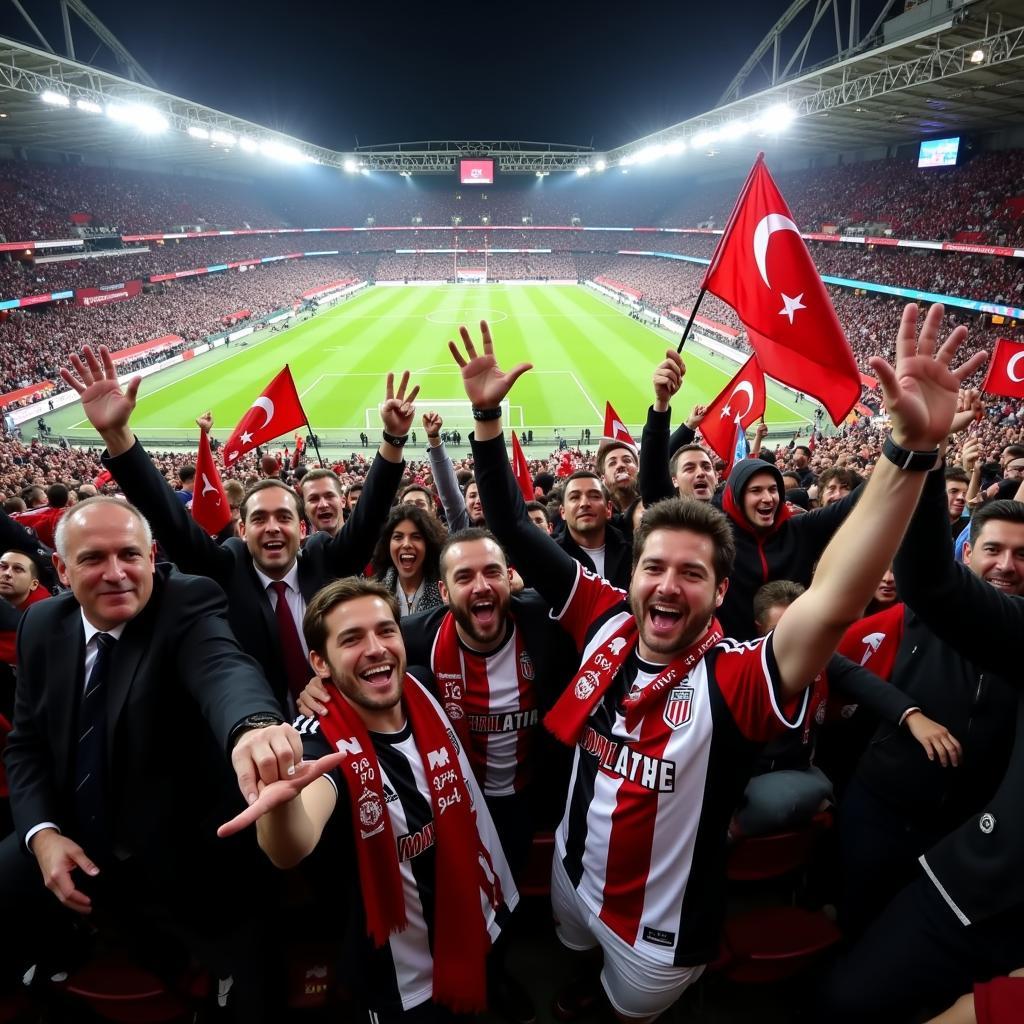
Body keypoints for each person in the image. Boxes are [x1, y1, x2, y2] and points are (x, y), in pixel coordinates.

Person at [447, 305, 984, 1022]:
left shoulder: (735, 677)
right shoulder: (602, 616)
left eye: (692, 574)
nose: (668, 584)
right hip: (572, 879)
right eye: (655, 567)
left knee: (622, 1010)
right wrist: (486, 423)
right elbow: (512, 526)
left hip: (658, 937)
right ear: (630, 577)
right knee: (573, 965)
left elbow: (829, 602)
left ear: (723, 591)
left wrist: (910, 454)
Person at [1, 497, 299, 1012]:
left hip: (179, 846)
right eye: (94, 558)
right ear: (62, 570)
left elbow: (222, 667)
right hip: (71, 832)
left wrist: (253, 726)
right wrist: (42, 834)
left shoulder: (185, 602)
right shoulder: (42, 626)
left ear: (152, 555)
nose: (117, 573)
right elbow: (25, 744)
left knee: (250, 985)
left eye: (130, 555)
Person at [219, 578, 518, 1023]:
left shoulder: (422, 685)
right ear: (319, 662)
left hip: (478, 913)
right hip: (403, 979)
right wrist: (282, 803)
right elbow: (290, 845)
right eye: (352, 639)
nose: (376, 648)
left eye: (386, 631)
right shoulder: (319, 742)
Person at [59, 344, 418, 710]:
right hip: (257, 732)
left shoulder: (326, 560)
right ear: (242, 530)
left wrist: (393, 440)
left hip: (343, 723)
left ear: (302, 527)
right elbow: (172, 524)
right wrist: (118, 437)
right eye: (259, 519)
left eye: (284, 517)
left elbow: (370, 515)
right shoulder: (226, 569)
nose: (273, 528)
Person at [819, 480, 1024, 1019]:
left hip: (961, 841)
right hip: (882, 809)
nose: (1007, 564)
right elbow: (833, 654)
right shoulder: (920, 612)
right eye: (994, 550)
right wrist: (906, 713)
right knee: (859, 942)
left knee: (908, 965)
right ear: (968, 551)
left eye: (1022, 554)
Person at [555, 471, 632, 589]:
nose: (584, 503)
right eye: (575, 497)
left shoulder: (633, 550)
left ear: (609, 509)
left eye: (594, 496)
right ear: (563, 512)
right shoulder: (550, 557)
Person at [372, 504, 446, 617]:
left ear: (428, 544)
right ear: (387, 544)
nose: (406, 544)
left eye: (416, 537)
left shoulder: (445, 594)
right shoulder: (374, 595)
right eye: (398, 537)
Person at [298, 468, 345, 537]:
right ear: (305, 508)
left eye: (329, 496)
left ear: (343, 501)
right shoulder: (298, 547)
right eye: (313, 499)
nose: (323, 505)